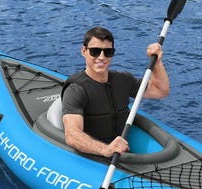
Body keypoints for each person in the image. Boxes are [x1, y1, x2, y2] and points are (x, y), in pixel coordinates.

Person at [61, 26, 170, 157]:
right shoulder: (76, 90)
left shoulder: (123, 80)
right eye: (95, 51)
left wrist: (157, 62)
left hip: (121, 152)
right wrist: (105, 149)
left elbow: (160, 91)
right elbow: (72, 135)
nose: (102, 57)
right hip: (94, 155)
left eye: (108, 52)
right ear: (84, 51)